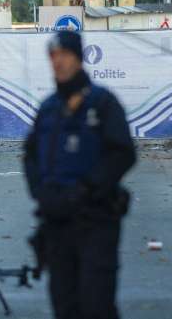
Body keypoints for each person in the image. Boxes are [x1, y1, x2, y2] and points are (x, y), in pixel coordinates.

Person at [24, 31, 136, 319]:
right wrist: (41, 192)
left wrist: (86, 190)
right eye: (54, 56)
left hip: (95, 221)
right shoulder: (49, 108)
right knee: (65, 305)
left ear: (78, 58)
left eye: (65, 55)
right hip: (56, 223)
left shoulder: (102, 103)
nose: (58, 62)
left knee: (96, 305)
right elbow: (31, 155)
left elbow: (123, 153)